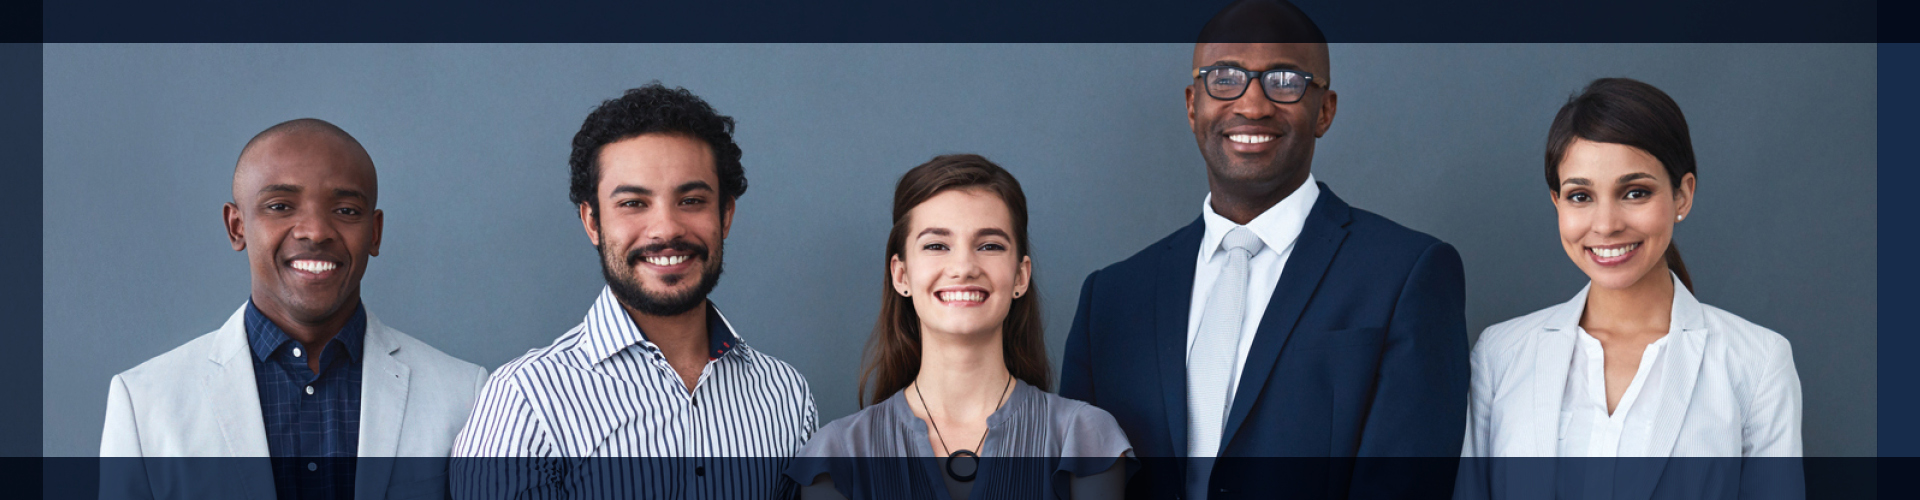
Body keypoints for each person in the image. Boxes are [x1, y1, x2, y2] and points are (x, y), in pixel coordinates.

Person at [1057, 1, 1470, 498]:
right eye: (1225, 77)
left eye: (1285, 80)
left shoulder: (1408, 274)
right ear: (1193, 105)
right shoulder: (1111, 299)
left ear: (1326, 110)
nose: (1252, 105)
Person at [451, 83, 818, 499]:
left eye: (692, 200)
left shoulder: (786, 395)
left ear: (726, 214)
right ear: (592, 222)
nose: (666, 229)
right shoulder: (526, 401)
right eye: (633, 203)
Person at [99, 118, 490, 500]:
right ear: (236, 226)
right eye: (281, 205)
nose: (315, 231)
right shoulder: (144, 403)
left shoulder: (465, 395)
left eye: (347, 210)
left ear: (374, 232)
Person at [1456, 78, 1803, 497]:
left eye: (1635, 192)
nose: (1606, 224)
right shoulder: (1500, 356)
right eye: (1580, 196)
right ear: (1557, 204)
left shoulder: (1758, 362)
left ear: (1682, 196)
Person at [786, 154, 1133, 500]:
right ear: (901, 274)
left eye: (990, 246)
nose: (964, 266)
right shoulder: (837, 452)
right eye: (937, 245)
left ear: (1020, 276)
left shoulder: (1083, 435)